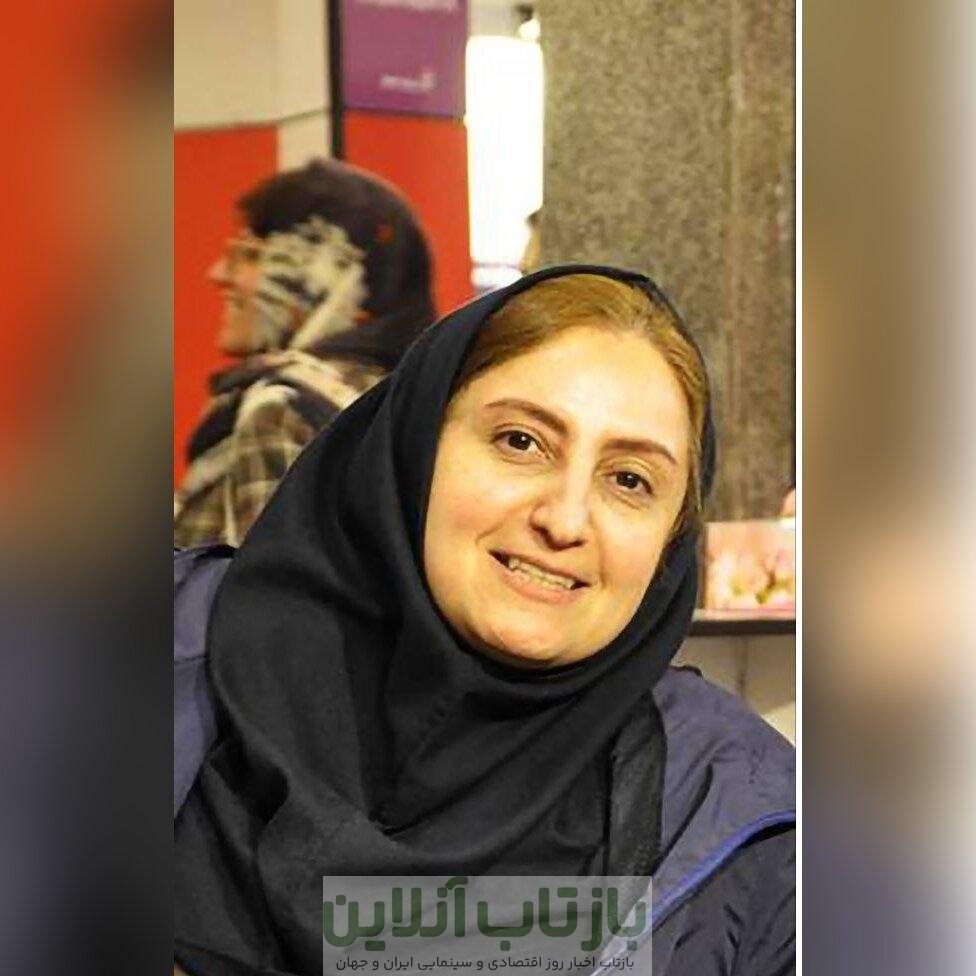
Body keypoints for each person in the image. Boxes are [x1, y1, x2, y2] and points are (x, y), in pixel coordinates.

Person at [174, 267, 795, 975]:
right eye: (521, 442)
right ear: (414, 443)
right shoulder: (123, 677)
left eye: (629, 480)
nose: (564, 520)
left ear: (671, 541)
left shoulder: (752, 840)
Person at [174, 159, 435, 547]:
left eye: (250, 256)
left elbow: (273, 579)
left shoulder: (283, 406)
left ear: (331, 275)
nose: (219, 274)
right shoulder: (416, 397)